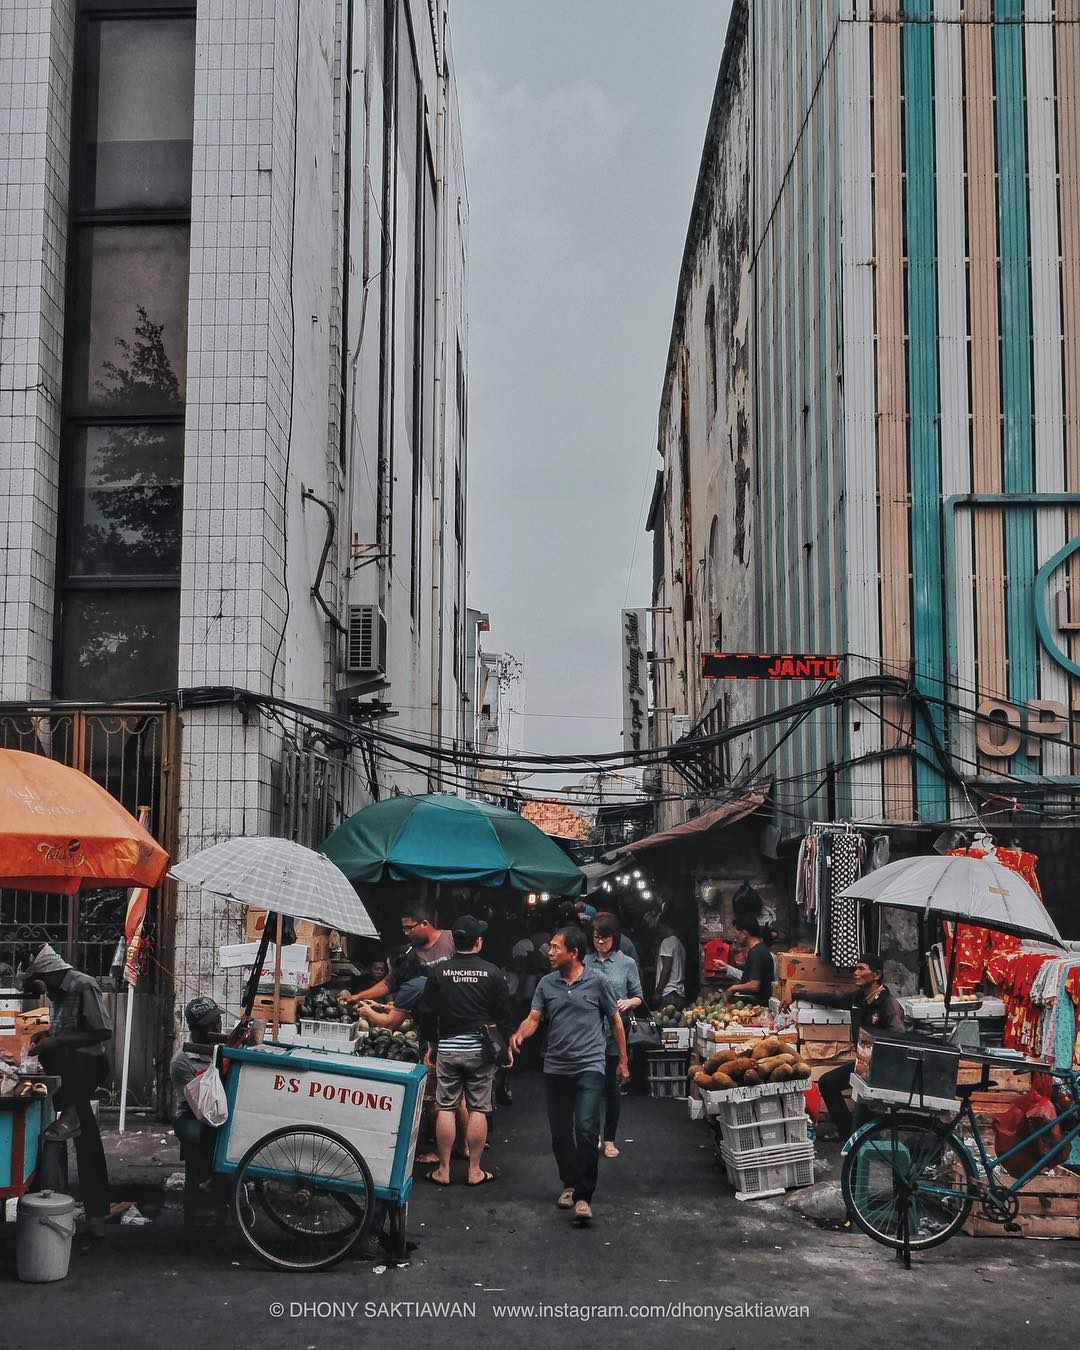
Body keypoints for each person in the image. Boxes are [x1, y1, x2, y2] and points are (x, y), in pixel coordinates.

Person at [510, 926, 629, 1226]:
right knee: (560, 1133)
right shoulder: (547, 984)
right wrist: (520, 1034)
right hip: (556, 1067)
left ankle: (584, 1197)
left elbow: (615, 1020)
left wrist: (623, 1061)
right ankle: (570, 1183)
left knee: (586, 1128)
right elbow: (534, 1017)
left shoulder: (597, 982)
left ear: (573, 953)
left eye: (554, 948)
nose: (549, 953)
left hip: (591, 1065)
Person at [19, 944, 112, 1238]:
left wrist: (57, 1043)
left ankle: (92, 1214)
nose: (40, 990)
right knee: (86, 1134)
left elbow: (102, 1031)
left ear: (48, 973)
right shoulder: (57, 993)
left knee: (83, 1129)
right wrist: (47, 1037)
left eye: (38, 982)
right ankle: (96, 1215)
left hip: (90, 1064)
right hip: (70, 1074)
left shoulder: (84, 985)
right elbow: (62, 1034)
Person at [423, 915, 514, 1187]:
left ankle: (444, 1169)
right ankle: (475, 1170)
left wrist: (431, 1044)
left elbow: (428, 1013)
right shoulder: (493, 973)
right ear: (478, 942)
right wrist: (507, 1046)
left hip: (449, 1048)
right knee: (477, 1108)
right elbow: (505, 1016)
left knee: (446, 1107)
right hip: (481, 1050)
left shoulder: (438, 972)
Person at [788, 952, 906, 1140]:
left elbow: (898, 1039)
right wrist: (798, 995)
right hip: (864, 1064)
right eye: (856, 968)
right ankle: (847, 1132)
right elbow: (832, 998)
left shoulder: (888, 1004)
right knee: (828, 1083)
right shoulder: (858, 998)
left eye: (861, 968)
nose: (855, 972)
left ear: (876, 975)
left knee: (864, 1106)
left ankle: (861, 1136)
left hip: (882, 1068)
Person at [584, 912, 643, 1158]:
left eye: (605, 938)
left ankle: (609, 1139)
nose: (600, 943)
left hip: (613, 1035)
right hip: (587, 1036)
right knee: (589, 1089)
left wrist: (628, 1002)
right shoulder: (585, 961)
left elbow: (640, 997)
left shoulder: (626, 963)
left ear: (614, 938)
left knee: (611, 1088)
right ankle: (591, 1137)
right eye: (597, 938)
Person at [343, 901, 455, 1004]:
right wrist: (357, 997)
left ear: (424, 924)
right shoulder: (408, 953)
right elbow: (388, 984)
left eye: (409, 928)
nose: (406, 933)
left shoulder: (452, 940)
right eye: (404, 929)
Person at [725, 919, 776, 1003]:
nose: (735, 937)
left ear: (744, 933)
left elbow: (754, 985)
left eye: (736, 933)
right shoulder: (761, 949)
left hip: (759, 1005)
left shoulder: (756, 953)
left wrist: (734, 988)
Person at [653, 911, 687, 1010]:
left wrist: (658, 992)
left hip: (668, 993)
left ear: (664, 926)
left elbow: (666, 968)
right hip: (679, 993)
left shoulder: (667, 942)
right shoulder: (680, 944)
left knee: (664, 1023)